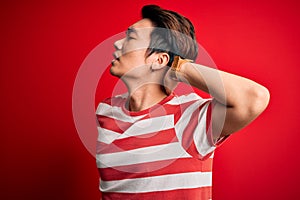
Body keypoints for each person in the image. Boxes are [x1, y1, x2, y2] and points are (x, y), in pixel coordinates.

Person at [95, 5, 270, 200]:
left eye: (131, 38)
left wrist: (179, 67)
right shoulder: (106, 112)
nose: (118, 43)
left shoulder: (190, 117)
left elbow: (255, 98)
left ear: (160, 59)